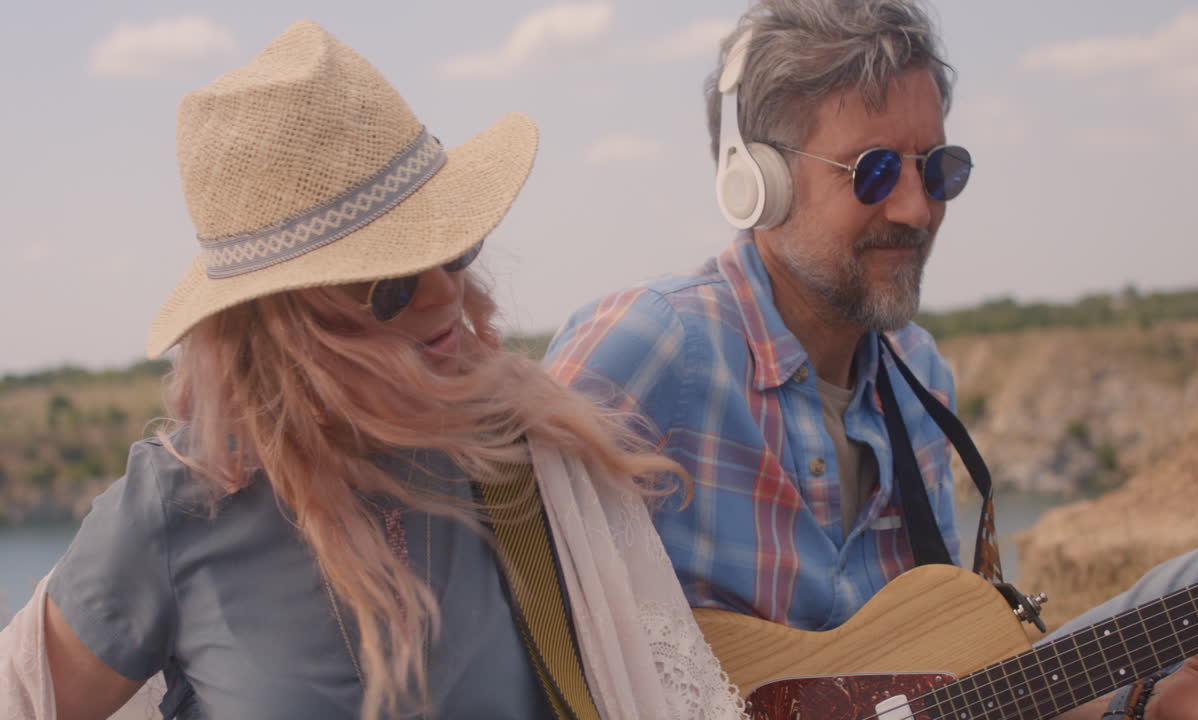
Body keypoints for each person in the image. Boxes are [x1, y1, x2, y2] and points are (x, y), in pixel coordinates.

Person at [542, 0, 1198, 717]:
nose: (916, 210)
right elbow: (509, 617)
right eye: (872, 171)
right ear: (757, 183)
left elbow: (948, 678)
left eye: (936, 169)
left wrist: (1150, 704)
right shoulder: (653, 347)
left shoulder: (919, 374)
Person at [0, 20, 743, 720]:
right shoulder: (177, 507)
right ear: (278, 325)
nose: (445, 292)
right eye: (391, 279)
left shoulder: (521, 456)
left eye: (454, 248)